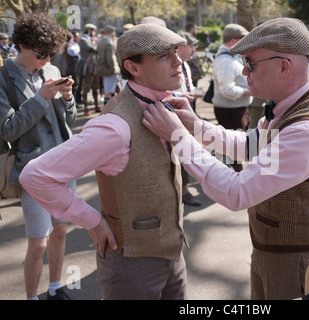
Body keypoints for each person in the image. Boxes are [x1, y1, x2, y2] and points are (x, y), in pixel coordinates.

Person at [142, 17, 309, 300]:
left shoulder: (308, 130)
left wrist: (179, 138)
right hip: (275, 253)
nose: (243, 70)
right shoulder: (288, 105)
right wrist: (195, 126)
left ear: (283, 66)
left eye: (251, 63)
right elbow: (251, 144)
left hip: (297, 262)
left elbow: (236, 192)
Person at [20, 22, 189, 300]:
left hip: (173, 254)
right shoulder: (114, 127)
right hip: (133, 265)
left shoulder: (169, 105)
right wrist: (91, 220)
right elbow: (36, 176)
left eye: (176, 51)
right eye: (163, 56)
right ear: (133, 68)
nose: (178, 61)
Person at [0, 12, 77, 300]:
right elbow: (8, 130)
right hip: (31, 171)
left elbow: (69, 118)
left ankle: (55, 287)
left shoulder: (52, 71)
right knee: (38, 244)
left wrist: (68, 99)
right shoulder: (4, 78)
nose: (47, 60)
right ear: (21, 46)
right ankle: (31, 296)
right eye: (41, 54)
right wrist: (41, 98)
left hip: (64, 165)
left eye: (51, 54)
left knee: (60, 231)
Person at [212, 23, 252, 172]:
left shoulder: (231, 57)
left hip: (236, 108)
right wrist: (248, 91)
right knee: (235, 147)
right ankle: (238, 175)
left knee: (232, 145)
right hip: (231, 110)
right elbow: (227, 89)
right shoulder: (225, 61)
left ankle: (224, 169)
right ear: (234, 41)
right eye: (243, 40)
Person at [173, 31, 202, 207]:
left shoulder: (186, 66)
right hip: (176, 116)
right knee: (180, 154)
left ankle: (184, 189)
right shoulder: (173, 65)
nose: (194, 49)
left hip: (189, 111)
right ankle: (182, 191)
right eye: (192, 46)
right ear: (182, 47)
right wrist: (181, 95)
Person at [76, 23, 99, 115]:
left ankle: (97, 106)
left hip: (94, 67)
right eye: (93, 30)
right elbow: (93, 49)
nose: (94, 32)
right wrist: (96, 44)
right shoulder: (83, 40)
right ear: (89, 30)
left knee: (95, 88)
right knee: (85, 89)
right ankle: (86, 108)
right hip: (88, 68)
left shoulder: (90, 40)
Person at [96, 25, 120, 108]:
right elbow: (110, 58)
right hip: (109, 70)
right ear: (111, 32)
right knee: (108, 91)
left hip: (103, 68)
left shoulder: (101, 42)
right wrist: (114, 69)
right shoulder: (108, 43)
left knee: (107, 90)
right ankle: (107, 109)